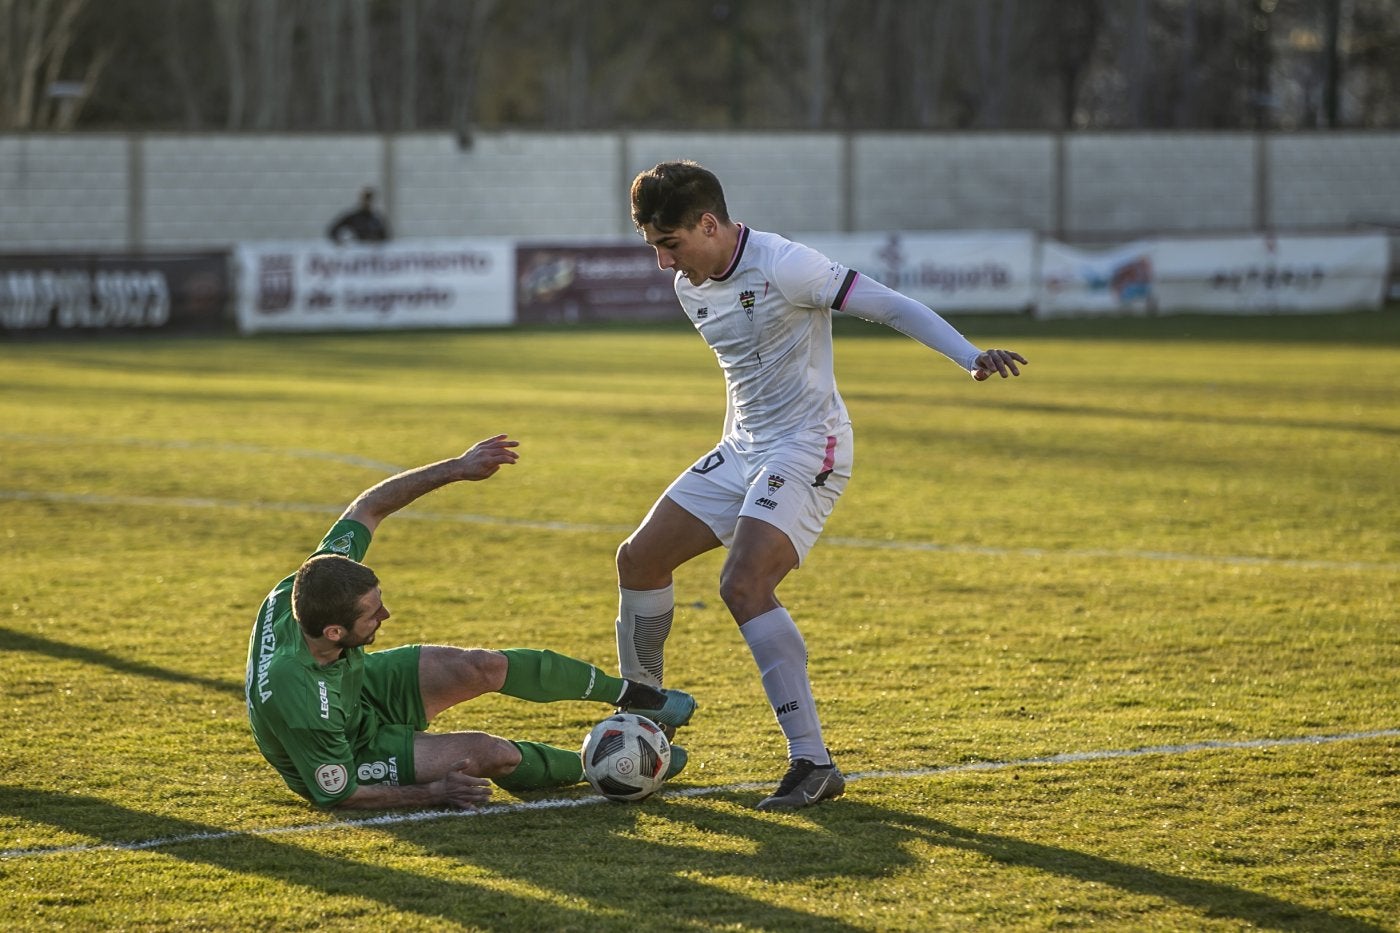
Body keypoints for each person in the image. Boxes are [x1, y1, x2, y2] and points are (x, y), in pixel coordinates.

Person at [616, 160, 1027, 811]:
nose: (665, 264)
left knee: (743, 584)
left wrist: (967, 354)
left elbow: (888, 304)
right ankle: (646, 712)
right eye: (655, 248)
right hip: (743, 449)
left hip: (811, 446)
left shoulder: (785, 265)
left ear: (709, 223)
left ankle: (812, 761)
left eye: (671, 245)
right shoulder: (690, 285)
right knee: (638, 560)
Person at [245, 434, 696, 810]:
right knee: (488, 753)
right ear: (334, 632)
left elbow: (368, 508)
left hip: (352, 683)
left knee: (479, 666)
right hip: (346, 749)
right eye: (372, 613)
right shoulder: (298, 698)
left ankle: (637, 696)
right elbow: (338, 793)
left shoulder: (312, 583)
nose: (386, 614)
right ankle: (623, 766)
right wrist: (433, 794)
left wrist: (458, 467)